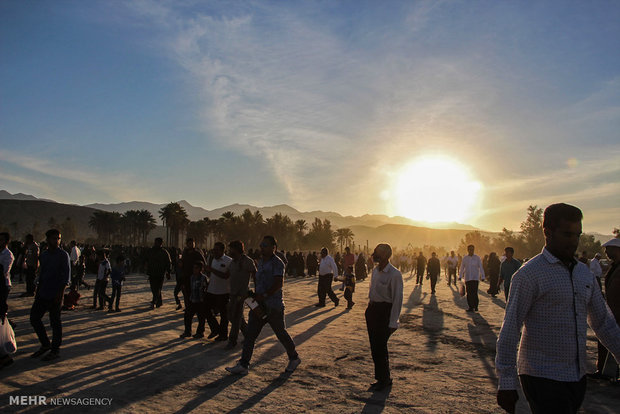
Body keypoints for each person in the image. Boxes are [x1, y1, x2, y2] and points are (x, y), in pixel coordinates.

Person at [496, 203, 620, 414]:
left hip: (576, 376)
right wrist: (506, 381)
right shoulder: (529, 275)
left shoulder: (584, 274)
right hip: (540, 375)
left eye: (577, 235)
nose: (574, 241)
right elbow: (511, 327)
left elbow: (603, 322)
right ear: (547, 232)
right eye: (567, 234)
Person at [226, 235, 301, 375]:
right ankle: (243, 364)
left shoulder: (278, 263)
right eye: (261, 244)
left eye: (265, 245)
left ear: (274, 248)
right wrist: (254, 295)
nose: (262, 247)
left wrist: (265, 295)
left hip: (273, 306)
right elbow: (258, 280)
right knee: (250, 335)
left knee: (281, 333)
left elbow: (279, 283)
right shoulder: (260, 262)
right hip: (258, 305)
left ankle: (294, 357)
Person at [366, 243, 403, 391]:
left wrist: (393, 322)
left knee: (381, 347)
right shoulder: (375, 271)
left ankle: (385, 379)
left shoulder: (394, 274)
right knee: (375, 347)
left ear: (385, 256)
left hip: (384, 313)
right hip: (373, 311)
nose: (374, 255)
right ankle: (380, 378)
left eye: (377, 253)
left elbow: (397, 299)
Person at [30, 229, 71, 361]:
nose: (57, 241)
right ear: (47, 239)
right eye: (54, 238)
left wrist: (61, 293)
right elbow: (42, 273)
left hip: (56, 293)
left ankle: (55, 349)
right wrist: (38, 289)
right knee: (34, 318)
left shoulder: (63, 255)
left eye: (58, 238)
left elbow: (66, 277)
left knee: (55, 323)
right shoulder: (44, 255)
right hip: (43, 292)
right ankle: (45, 344)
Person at [590, 238, 620, 380]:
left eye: (609, 250)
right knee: (604, 341)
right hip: (611, 312)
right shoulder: (614, 267)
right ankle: (602, 370)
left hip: (617, 312)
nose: (606, 253)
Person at [226, 240, 257, 350]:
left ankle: (232, 341)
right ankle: (248, 334)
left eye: (231, 249)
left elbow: (255, 274)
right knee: (231, 315)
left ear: (237, 249)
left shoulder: (247, 261)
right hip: (233, 293)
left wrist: (257, 291)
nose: (229, 251)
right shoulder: (233, 262)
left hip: (242, 294)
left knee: (236, 317)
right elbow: (227, 275)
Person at [205, 242, 232, 341]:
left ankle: (223, 334)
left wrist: (211, 270)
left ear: (222, 250)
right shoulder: (211, 258)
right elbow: (209, 273)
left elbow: (226, 276)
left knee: (224, 315)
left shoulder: (229, 261)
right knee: (206, 310)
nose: (215, 252)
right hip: (211, 289)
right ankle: (215, 329)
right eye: (214, 249)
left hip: (224, 291)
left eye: (217, 250)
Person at [180, 261, 208, 339]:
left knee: (201, 317)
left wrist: (204, 298)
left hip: (200, 300)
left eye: (196, 268)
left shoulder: (203, 278)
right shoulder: (192, 277)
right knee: (187, 316)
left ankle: (200, 332)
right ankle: (187, 331)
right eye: (193, 268)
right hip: (193, 299)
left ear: (200, 269)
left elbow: (205, 289)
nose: (194, 269)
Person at [146, 238, 171, 309]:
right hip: (152, 273)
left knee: (158, 288)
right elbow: (146, 259)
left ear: (161, 243)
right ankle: (159, 301)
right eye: (156, 242)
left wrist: (168, 272)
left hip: (160, 273)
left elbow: (168, 263)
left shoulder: (164, 252)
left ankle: (154, 301)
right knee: (153, 288)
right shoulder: (150, 251)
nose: (156, 244)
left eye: (158, 242)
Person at [459, 245, 485, 312]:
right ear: (468, 250)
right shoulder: (465, 258)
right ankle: (471, 306)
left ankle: (475, 306)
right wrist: (460, 276)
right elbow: (462, 267)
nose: (471, 251)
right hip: (468, 278)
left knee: (474, 293)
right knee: (469, 293)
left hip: (475, 278)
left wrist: (483, 276)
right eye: (470, 249)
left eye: (472, 249)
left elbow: (481, 267)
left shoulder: (477, 258)